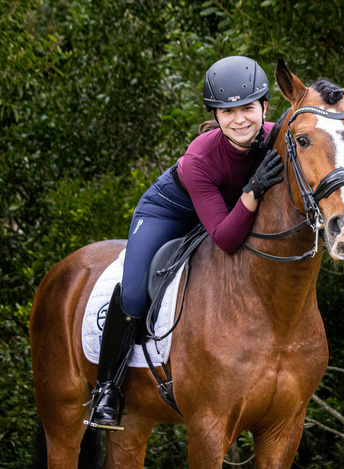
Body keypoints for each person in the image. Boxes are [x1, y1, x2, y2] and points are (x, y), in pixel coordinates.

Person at [86, 56, 284, 430]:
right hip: (169, 213)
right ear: (215, 114)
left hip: (226, 208)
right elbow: (225, 239)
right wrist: (254, 190)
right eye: (227, 112)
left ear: (264, 107)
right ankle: (106, 390)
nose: (239, 120)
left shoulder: (275, 137)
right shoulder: (200, 158)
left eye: (247, 108)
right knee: (133, 296)